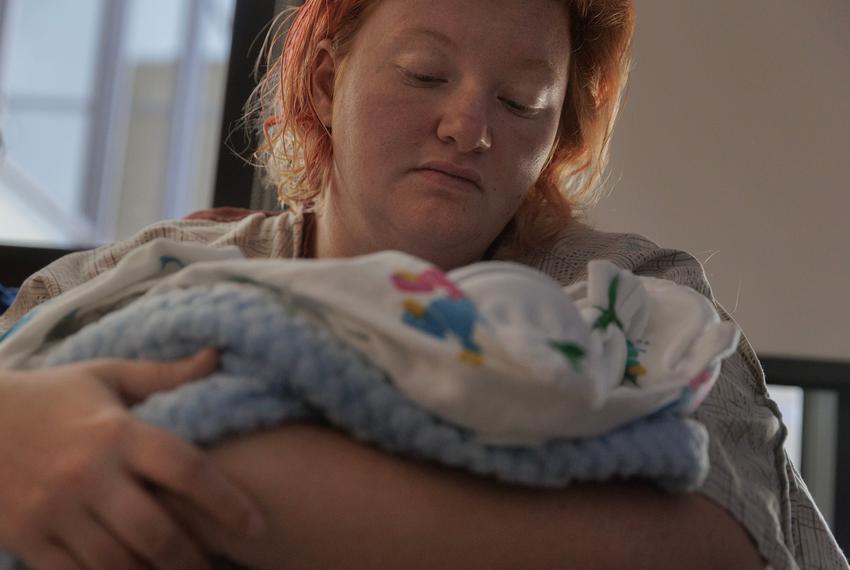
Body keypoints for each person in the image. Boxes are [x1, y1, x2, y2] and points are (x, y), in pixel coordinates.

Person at [0, 1, 845, 569]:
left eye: (522, 100)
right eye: (424, 73)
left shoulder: (628, 295)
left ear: (558, 133)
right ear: (326, 81)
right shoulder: (135, 279)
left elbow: (721, 545)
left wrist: (187, 473)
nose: (468, 127)